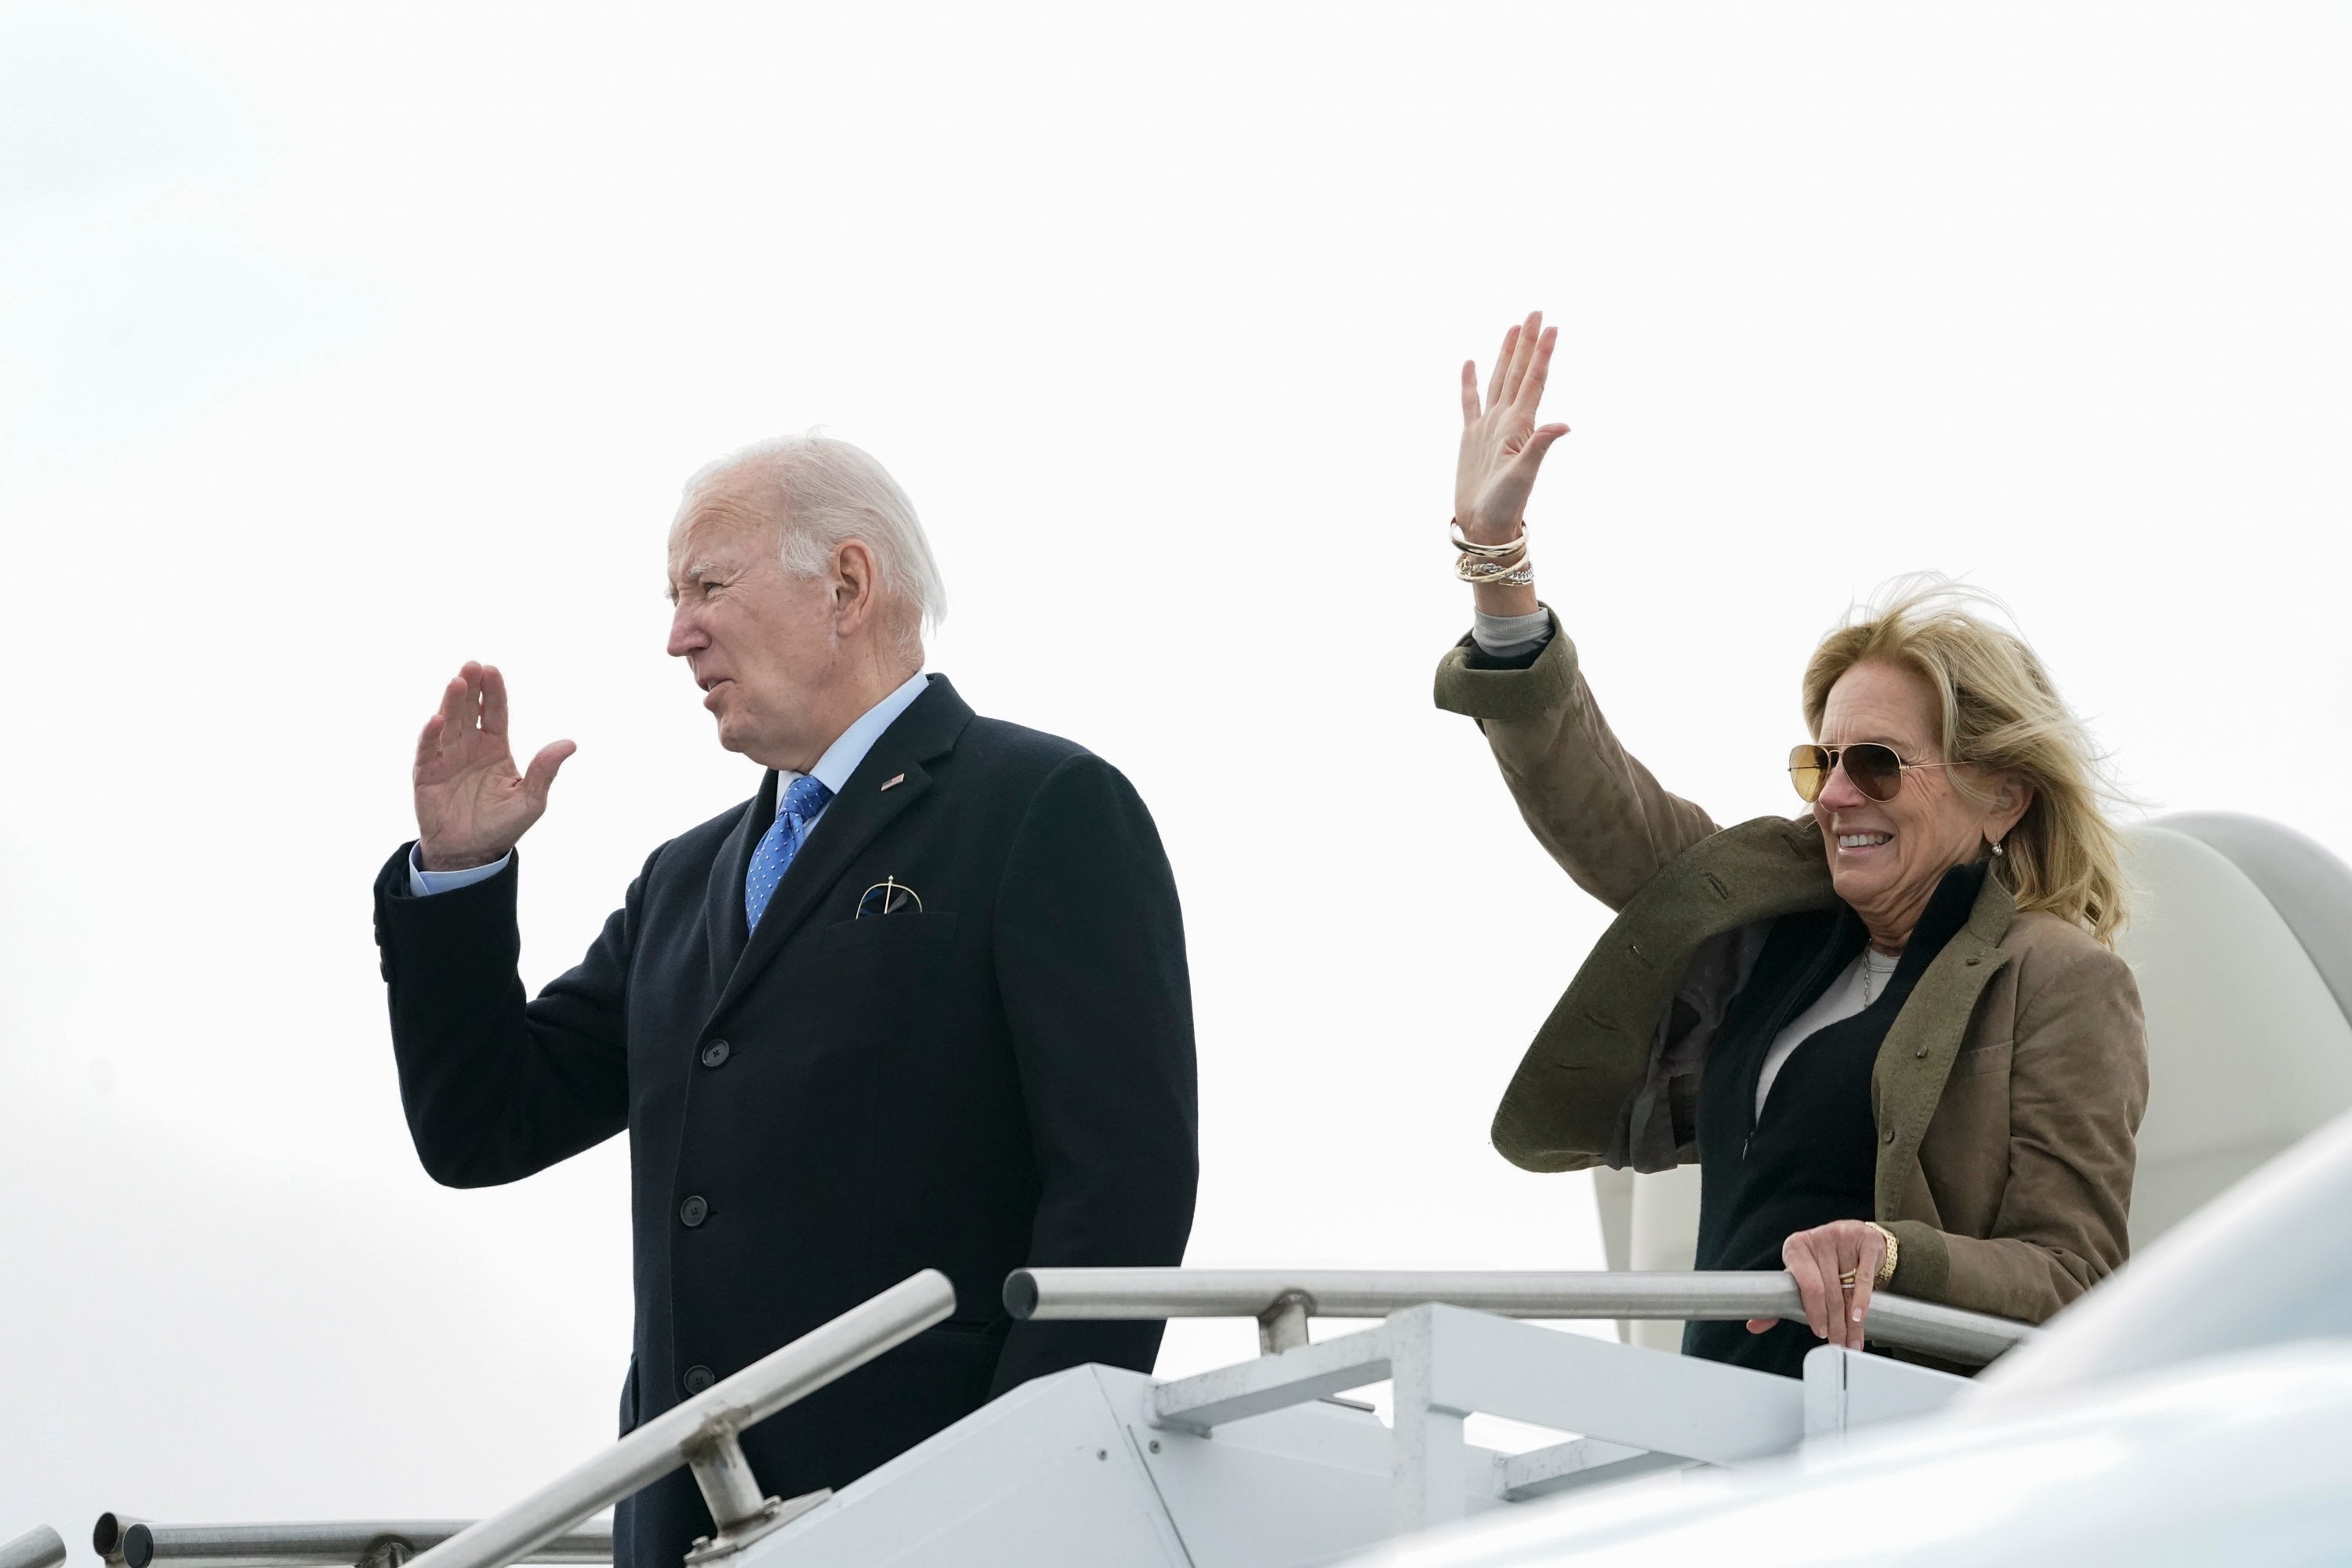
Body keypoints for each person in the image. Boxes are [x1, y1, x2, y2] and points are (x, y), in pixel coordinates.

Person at [370, 434, 1198, 1563]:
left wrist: (1020, 1492)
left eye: (709, 585)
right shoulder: (682, 882)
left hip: (935, 1522)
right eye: (674, 598)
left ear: (847, 585)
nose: (677, 634)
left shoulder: (1041, 808)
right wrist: (457, 879)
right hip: (686, 1530)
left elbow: (1121, 1194)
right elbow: (483, 1125)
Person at [1433, 312, 2147, 1377]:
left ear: (2003, 798)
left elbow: (2076, 1278)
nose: (1838, 795)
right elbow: (1597, 801)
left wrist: (1899, 1258)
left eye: (1879, 764)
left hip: (1896, 1446)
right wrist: (1499, 570)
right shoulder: (1773, 924)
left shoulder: (2060, 981)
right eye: (1822, 763)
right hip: (1716, 1424)